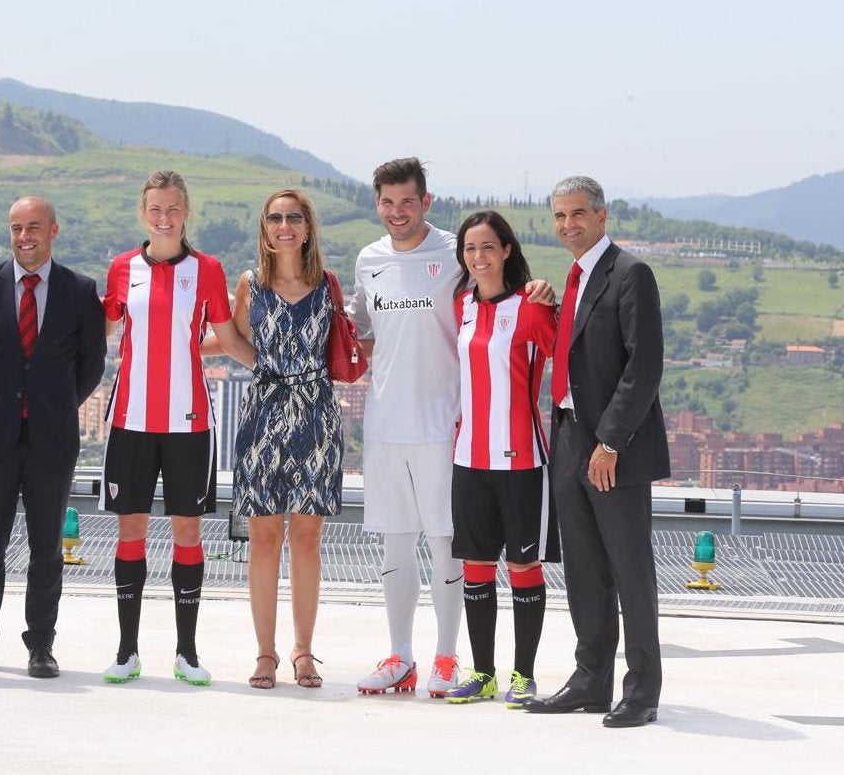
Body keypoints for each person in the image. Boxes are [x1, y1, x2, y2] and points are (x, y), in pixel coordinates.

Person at [349, 157, 552, 697]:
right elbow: (360, 331)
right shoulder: (368, 260)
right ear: (378, 204)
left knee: (450, 549)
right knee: (394, 547)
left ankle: (446, 658)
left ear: (426, 201)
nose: (398, 212)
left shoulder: (456, 254)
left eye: (407, 201)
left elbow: (500, 293)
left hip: (446, 428)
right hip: (384, 424)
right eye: (388, 202)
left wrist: (540, 292)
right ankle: (400, 658)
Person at [99, 170, 255, 687]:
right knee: (131, 532)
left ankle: (186, 652)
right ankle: (126, 651)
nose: (163, 217)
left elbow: (228, 338)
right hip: (130, 421)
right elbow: (100, 331)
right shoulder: (122, 268)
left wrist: (276, 367)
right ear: (143, 213)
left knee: (188, 533)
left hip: (189, 424)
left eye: (173, 208)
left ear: (186, 212)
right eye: (154, 208)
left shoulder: (207, 269)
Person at [523, 176, 668, 728]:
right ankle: (590, 681)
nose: (568, 225)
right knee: (584, 569)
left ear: (602, 216)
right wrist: (552, 307)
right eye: (559, 216)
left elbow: (644, 366)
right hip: (568, 439)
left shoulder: (631, 274)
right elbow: (581, 350)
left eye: (578, 214)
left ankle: (642, 692)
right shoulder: (576, 278)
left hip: (615, 446)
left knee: (631, 571)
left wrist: (610, 442)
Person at [0, 196, 106, 678]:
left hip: (52, 438)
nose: (25, 237)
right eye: (16, 227)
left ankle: (41, 645)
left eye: (34, 227)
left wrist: (51, 405)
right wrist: (3, 399)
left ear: (54, 231)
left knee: (46, 549)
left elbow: (91, 366)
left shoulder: (80, 291)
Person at [441, 211, 559, 707]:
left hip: (522, 460)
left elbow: (570, 357)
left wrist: (550, 296)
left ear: (507, 250)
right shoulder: (460, 305)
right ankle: (483, 673)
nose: (478, 257)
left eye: (488, 247)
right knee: (476, 566)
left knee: (524, 565)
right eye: (470, 249)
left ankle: (523, 675)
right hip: (469, 458)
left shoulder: (531, 307)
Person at [230, 189, 342, 690]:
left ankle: (303, 651)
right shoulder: (250, 284)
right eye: (275, 218)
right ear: (265, 228)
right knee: (263, 537)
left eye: (292, 217)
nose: (283, 225)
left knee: (307, 538)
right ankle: (266, 653)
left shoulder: (327, 285)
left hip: (316, 415)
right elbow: (232, 338)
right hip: (263, 415)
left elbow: (350, 341)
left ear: (307, 226)